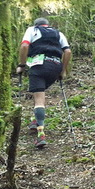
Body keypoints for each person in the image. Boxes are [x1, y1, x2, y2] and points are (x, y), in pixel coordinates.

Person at [16, 17, 71, 148]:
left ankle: (41, 134)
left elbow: (24, 45)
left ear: (37, 25)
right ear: (47, 25)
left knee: (39, 98)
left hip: (38, 65)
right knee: (39, 94)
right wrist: (63, 70)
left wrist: (21, 65)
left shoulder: (32, 30)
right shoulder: (59, 33)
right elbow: (67, 51)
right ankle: (35, 120)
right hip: (55, 66)